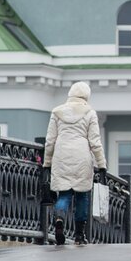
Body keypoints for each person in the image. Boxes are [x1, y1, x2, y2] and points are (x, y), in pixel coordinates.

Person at [43, 82, 107, 246]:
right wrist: (102, 165)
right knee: (82, 195)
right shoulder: (89, 113)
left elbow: (50, 141)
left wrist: (47, 163)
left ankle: (59, 219)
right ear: (86, 96)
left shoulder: (57, 112)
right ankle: (79, 235)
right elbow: (95, 142)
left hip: (61, 155)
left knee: (64, 194)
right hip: (81, 157)